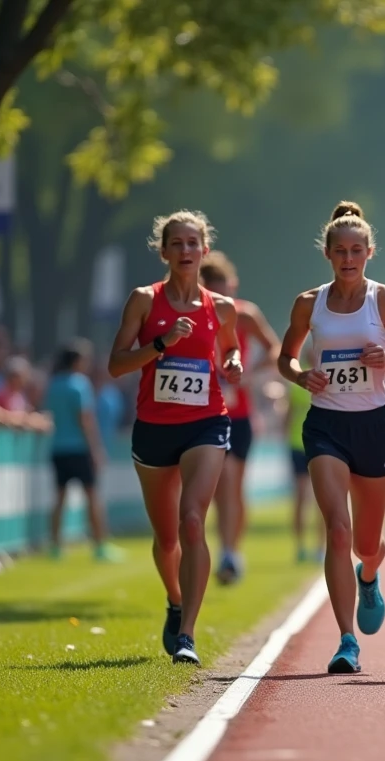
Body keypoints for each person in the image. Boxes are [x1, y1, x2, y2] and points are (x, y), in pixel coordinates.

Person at [276, 201, 385, 674]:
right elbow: (285, 358)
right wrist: (301, 376)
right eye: (340, 251)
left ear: (369, 253)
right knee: (338, 529)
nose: (348, 258)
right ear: (328, 254)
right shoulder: (308, 303)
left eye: (357, 250)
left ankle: (369, 576)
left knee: (367, 544)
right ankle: (346, 640)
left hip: (373, 425)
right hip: (325, 426)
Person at [107, 209, 243, 666]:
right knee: (167, 539)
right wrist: (160, 345)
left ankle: (187, 635)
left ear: (205, 250)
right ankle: (175, 599)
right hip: (154, 427)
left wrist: (234, 361)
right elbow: (116, 364)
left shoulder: (220, 307)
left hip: (206, 422)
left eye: (192, 243)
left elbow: (230, 346)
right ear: (163, 251)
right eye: (177, 243)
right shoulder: (144, 301)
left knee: (193, 521)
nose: (186, 250)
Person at [199, 251, 281, 585]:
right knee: (220, 488)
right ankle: (227, 551)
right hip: (205, 411)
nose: (223, 298)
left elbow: (275, 348)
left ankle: (231, 552)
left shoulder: (245, 314)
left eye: (226, 291)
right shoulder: (194, 313)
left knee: (233, 484)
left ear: (232, 286)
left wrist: (249, 374)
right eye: (215, 292)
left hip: (240, 414)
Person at [44, 339, 122, 562]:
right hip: (79, 448)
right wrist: (95, 449)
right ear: (77, 361)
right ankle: (100, 546)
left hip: (58, 447)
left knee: (59, 498)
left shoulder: (54, 384)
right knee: (92, 497)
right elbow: (85, 420)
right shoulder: (79, 384)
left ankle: (55, 546)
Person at [283, 372, 323, 562]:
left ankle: (320, 546)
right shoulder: (299, 381)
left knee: (322, 500)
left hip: (320, 445)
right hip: (298, 445)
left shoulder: (328, 378)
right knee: (301, 497)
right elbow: (289, 415)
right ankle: (300, 546)